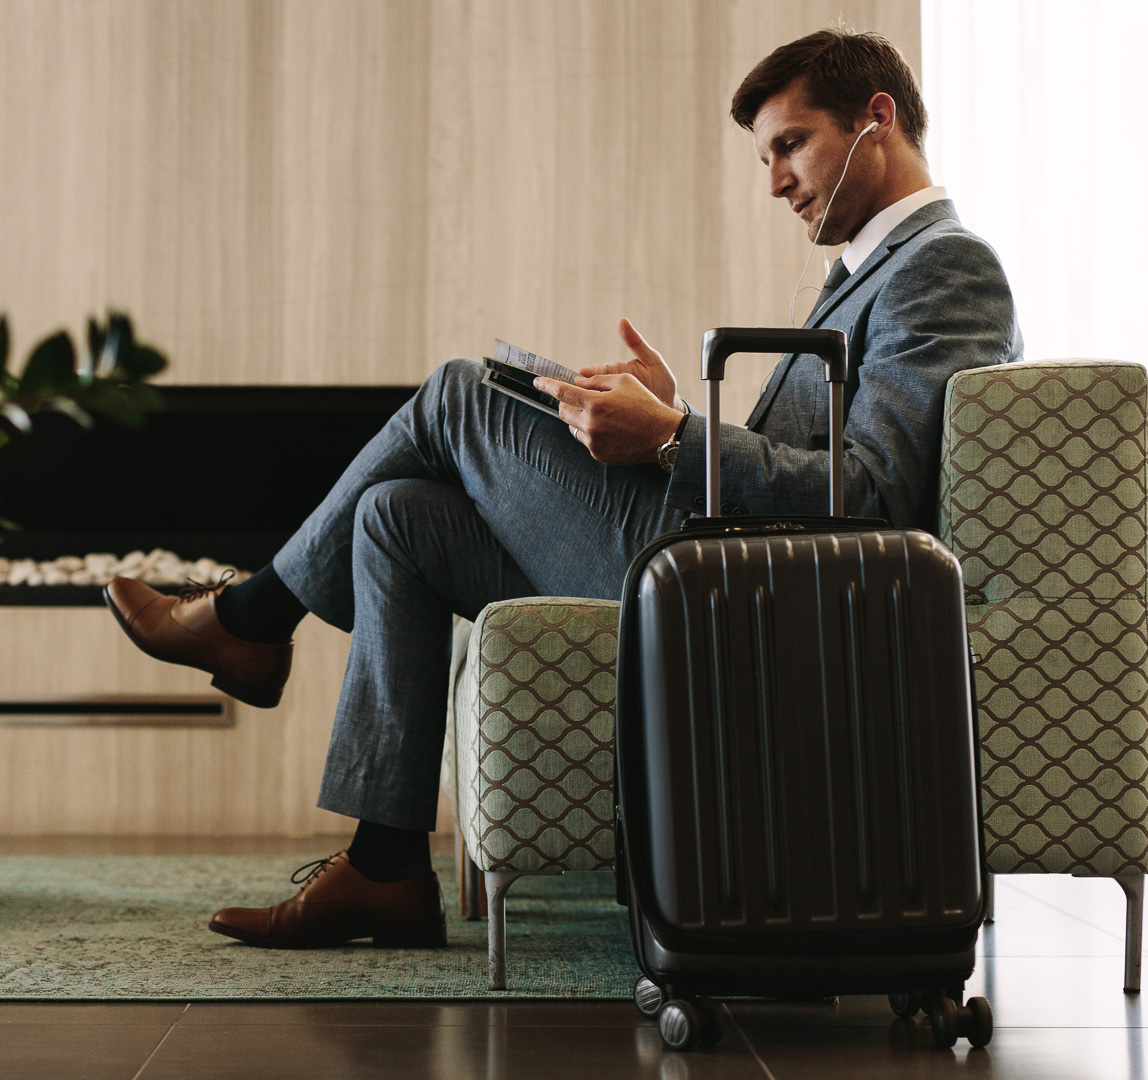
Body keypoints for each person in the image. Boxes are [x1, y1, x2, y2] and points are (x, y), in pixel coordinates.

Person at [104, 27, 1022, 949]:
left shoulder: (944, 267)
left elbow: (873, 501)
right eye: (767, 155)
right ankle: (384, 866)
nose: (775, 181)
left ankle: (253, 619)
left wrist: (671, 439)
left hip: (744, 603)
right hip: (724, 568)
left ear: (878, 119)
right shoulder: (865, 275)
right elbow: (815, 467)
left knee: (458, 397)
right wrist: (671, 417)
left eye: (790, 145)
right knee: (396, 517)